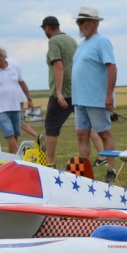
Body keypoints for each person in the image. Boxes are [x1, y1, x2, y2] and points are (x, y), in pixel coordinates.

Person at [71, 7, 118, 181]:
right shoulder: (82, 45)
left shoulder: (102, 41)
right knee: (81, 135)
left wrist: (109, 95)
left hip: (96, 99)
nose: (79, 25)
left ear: (94, 23)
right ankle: (82, 173)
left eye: (81, 21)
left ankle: (111, 170)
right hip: (80, 99)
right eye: (78, 21)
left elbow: (111, 67)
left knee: (104, 133)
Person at [0, 46, 34, 154]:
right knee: (8, 133)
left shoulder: (14, 68)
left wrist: (29, 99)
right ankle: (16, 157)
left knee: (15, 134)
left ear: (5, 56)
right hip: (0, 108)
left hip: (15, 106)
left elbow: (22, 83)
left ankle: (11, 157)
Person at [40, 15, 77, 167]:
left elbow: (58, 66)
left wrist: (59, 92)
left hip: (62, 92)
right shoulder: (71, 40)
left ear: (47, 28)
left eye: (44, 29)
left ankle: (50, 162)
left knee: (51, 125)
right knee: (87, 124)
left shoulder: (53, 41)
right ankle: (102, 158)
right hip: (77, 89)